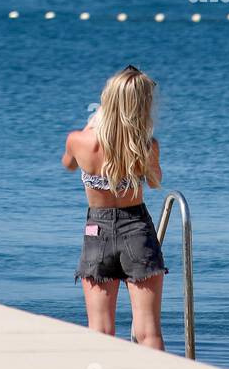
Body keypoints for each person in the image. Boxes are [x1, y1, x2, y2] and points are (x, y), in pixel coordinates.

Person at [61, 65, 168, 349]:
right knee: (148, 332)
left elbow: (68, 164)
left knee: (100, 331)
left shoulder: (78, 140)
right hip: (137, 230)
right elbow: (156, 180)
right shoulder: (146, 145)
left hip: (97, 231)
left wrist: (89, 127)